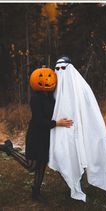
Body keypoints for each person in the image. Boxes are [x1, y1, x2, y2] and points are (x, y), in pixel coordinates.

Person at [48, 56, 106, 202]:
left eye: (63, 68)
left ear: (69, 69)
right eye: (57, 69)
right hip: (60, 129)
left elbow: (88, 107)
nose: (60, 71)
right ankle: (72, 183)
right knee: (63, 154)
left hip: (77, 128)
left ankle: (80, 182)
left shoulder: (79, 86)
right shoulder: (53, 88)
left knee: (80, 154)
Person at [0, 69, 73, 202]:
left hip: (47, 135)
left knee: (42, 164)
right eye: (41, 76)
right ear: (35, 80)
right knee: (31, 166)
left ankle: (36, 192)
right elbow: (39, 121)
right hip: (37, 134)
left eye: (49, 76)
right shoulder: (36, 99)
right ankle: (9, 149)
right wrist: (57, 123)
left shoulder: (52, 97)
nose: (46, 79)